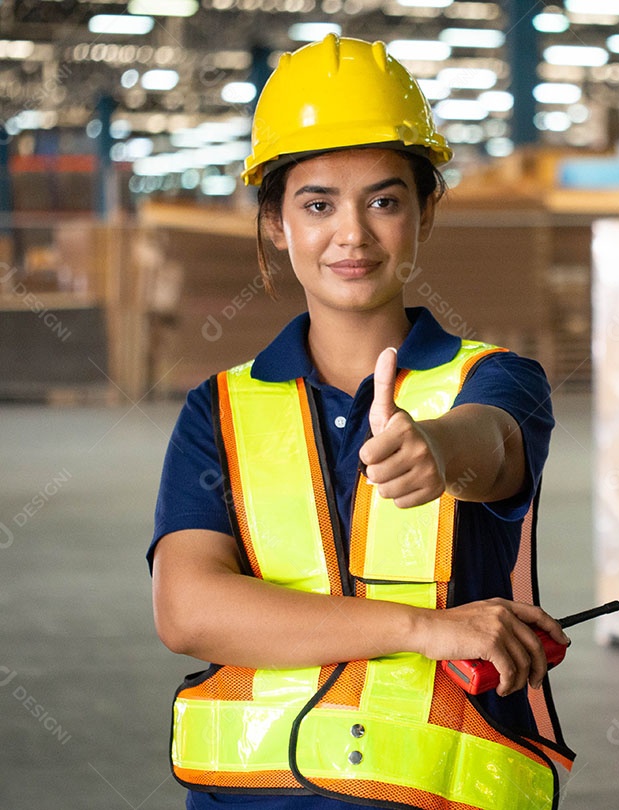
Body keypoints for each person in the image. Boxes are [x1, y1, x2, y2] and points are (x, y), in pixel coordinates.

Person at [149, 34, 575, 810]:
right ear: (276, 221)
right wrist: (428, 631)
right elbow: (188, 610)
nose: (352, 233)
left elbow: (495, 446)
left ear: (424, 213)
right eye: (317, 204)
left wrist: (438, 449)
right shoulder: (221, 410)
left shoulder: (495, 378)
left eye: (384, 200)